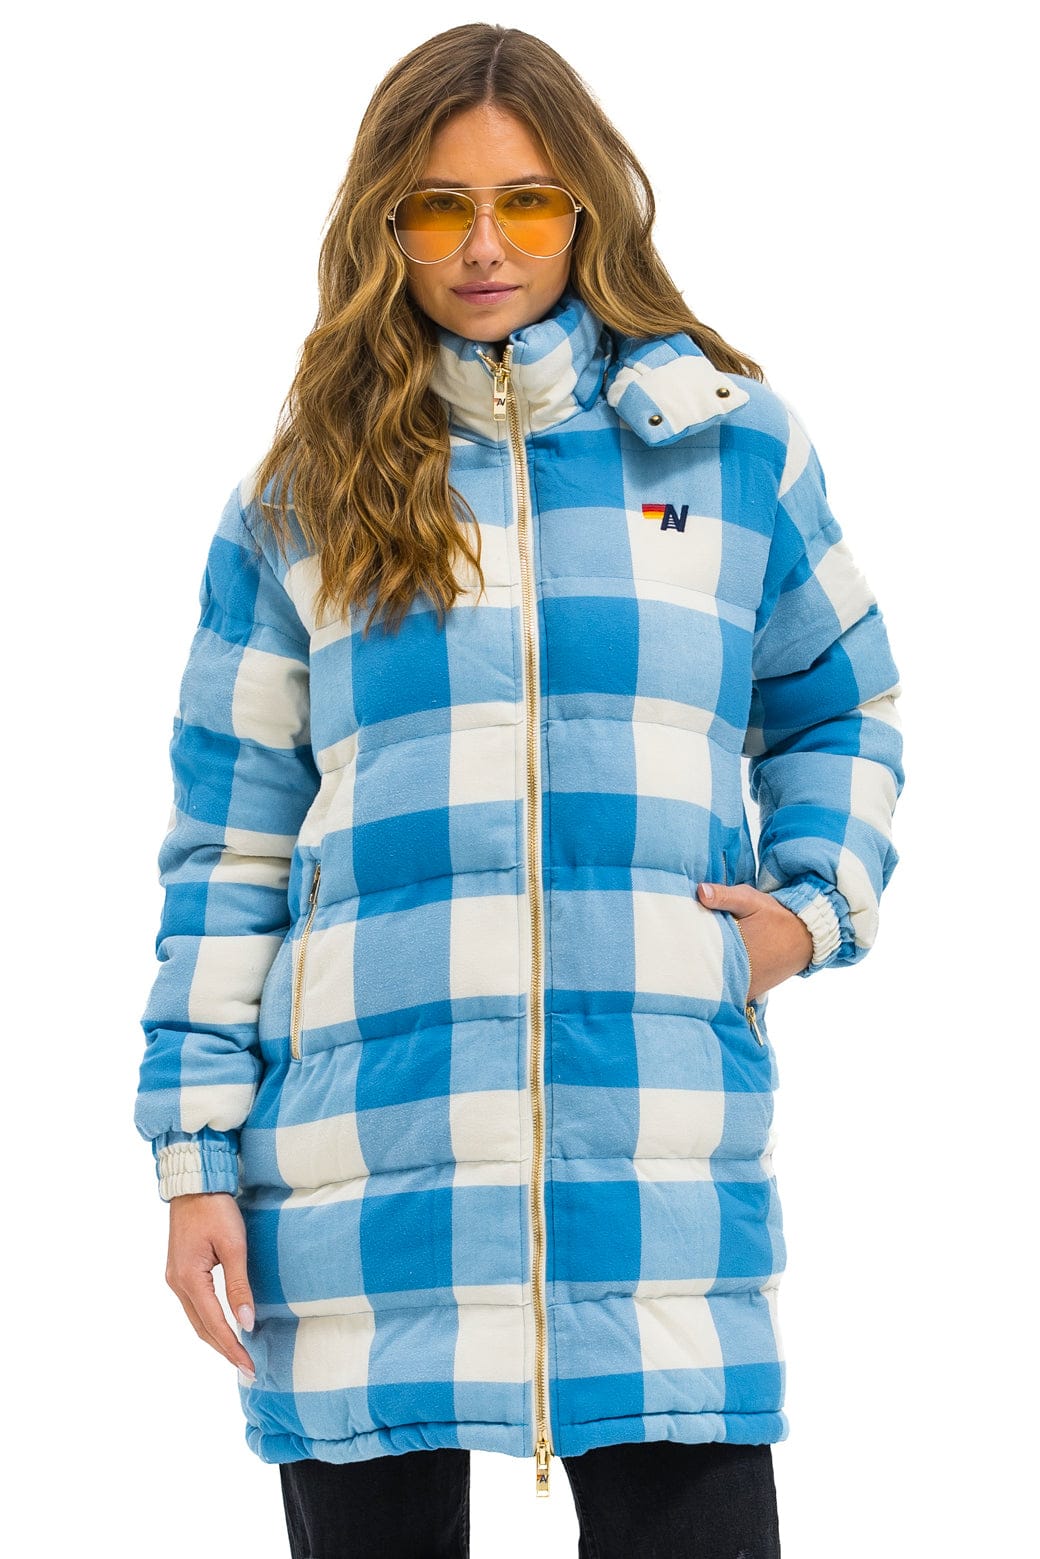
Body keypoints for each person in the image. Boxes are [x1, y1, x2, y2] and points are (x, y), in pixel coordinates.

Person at [133, 22, 904, 1559]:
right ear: (385, 226)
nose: (484, 245)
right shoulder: (304, 496)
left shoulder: (730, 452)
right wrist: (194, 1158)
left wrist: (806, 913)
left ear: (586, 210)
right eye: (440, 207)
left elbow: (840, 703)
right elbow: (228, 848)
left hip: (655, 1152)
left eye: (526, 201)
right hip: (361, 1163)